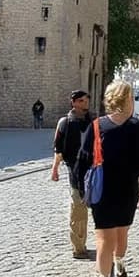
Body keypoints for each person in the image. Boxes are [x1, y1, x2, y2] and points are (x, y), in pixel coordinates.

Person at [73, 80, 139, 277]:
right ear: (128, 99)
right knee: (121, 234)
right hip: (127, 190)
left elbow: (82, 162)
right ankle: (120, 267)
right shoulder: (137, 127)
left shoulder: (96, 127)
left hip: (102, 191)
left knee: (103, 240)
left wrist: (81, 191)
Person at [50, 91, 93, 258]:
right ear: (74, 103)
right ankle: (78, 247)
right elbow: (58, 149)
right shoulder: (65, 123)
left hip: (93, 169)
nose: (85, 104)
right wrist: (55, 168)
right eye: (81, 101)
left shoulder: (93, 122)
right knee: (78, 208)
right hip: (74, 170)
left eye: (86, 101)